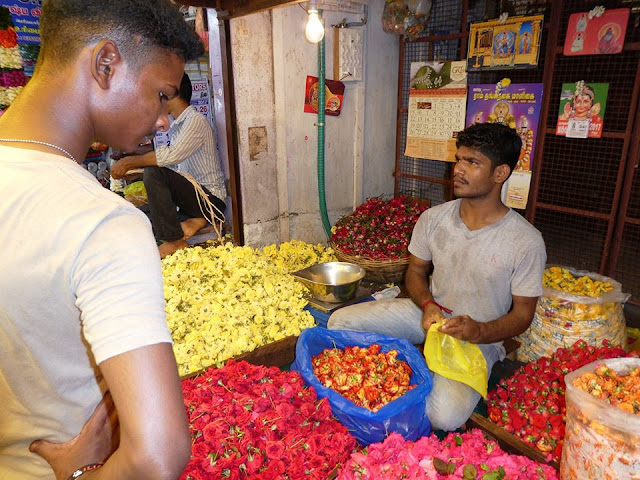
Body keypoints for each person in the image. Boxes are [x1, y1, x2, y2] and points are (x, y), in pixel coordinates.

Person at [0, 1, 205, 478]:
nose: (163, 119)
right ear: (105, 63)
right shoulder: (101, 222)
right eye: (160, 94)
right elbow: (157, 456)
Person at [328, 123, 546, 431]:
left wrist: (479, 331)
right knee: (340, 323)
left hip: (478, 335)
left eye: (473, 162)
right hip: (429, 314)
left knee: (444, 416)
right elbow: (415, 272)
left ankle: (423, 365)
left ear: (500, 173)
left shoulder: (525, 241)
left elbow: (523, 315)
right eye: (459, 159)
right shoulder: (434, 219)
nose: (458, 170)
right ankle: (409, 363)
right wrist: (427, 303)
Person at [111, 72, 226, 258]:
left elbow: (170, 156)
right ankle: (196, 221)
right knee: (142, 214)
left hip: (211, 200)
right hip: (195, 200)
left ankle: (174, 241)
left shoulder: (196, 121)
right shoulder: (179, 127)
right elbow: (175, 169)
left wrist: (129, 162)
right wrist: (135, 173)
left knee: (154, 173)